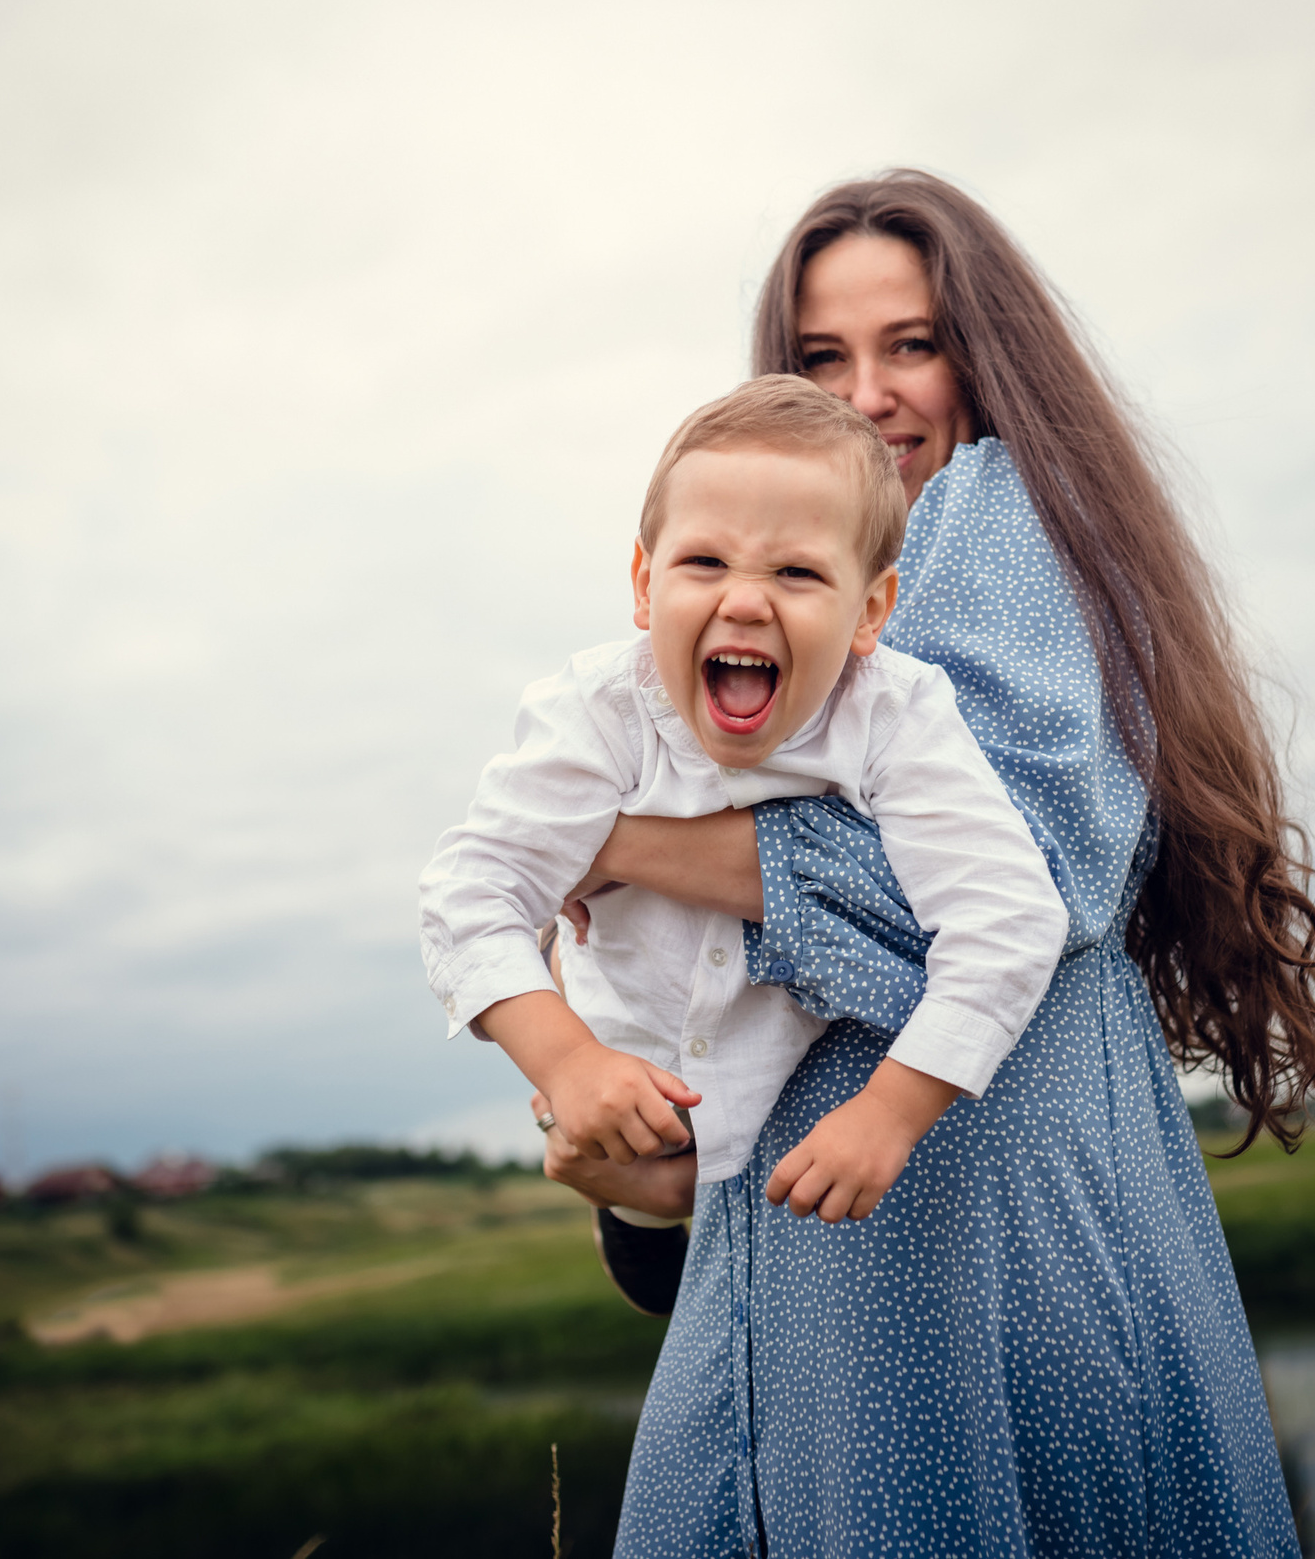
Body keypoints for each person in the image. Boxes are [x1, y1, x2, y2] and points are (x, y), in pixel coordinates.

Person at [534, 171, 1315, 1557]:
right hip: (839, 1277)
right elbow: (729, 986)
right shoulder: (794, 586)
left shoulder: (998, 517)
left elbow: (1025, 873)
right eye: (821, 358)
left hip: (970, 1262)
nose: (869, 392)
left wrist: (609, 837)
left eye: (911, 344)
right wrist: (636, 1169)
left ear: (990, 357)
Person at [419, 376, 1067, 1263]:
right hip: (621, 1094)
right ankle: (629, 1213)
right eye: (705, 564)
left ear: (870, 610)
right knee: (643, 1240)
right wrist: (566, 1064)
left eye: (797, 572)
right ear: (645, 585)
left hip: (776, 1121)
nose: (747, 600)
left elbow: (1009, 914)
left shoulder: (895, 713)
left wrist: (892, 1109)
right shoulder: (600, 710)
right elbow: (471, 891)